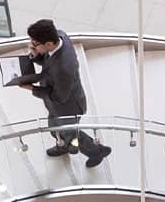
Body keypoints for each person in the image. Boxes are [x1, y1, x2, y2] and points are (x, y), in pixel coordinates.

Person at [20, 19, 111, 168]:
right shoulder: (60, 35)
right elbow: (49, 63)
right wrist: (36, 54)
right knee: (55, 128)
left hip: (68, 107)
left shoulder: (64, 68)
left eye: (35, 44)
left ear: (48, 44)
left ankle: (96, 151)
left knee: (71, 134)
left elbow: (59, 97)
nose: (31, 45)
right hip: (58, 103)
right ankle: (63, 146)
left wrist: (32, 89)